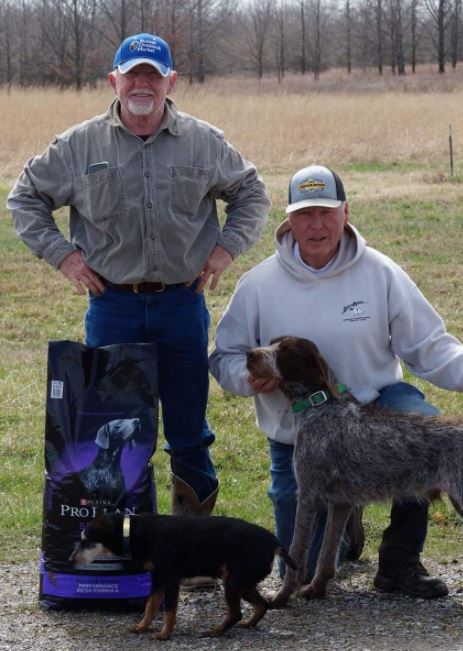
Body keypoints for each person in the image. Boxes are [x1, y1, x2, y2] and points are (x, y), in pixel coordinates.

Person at [208, 164, 463, 598]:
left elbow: (432, 346)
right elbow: (223, 356)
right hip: (299, 433)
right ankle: (346, 523)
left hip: (380, 411)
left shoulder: (379, 273)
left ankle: (399, 563)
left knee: (424, 428)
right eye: (305, 214)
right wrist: (245, 377)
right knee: (303, 563)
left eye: (326, 213)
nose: (316, 225)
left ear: (346, 212)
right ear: (288, 219)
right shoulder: (258, 285)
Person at [8, 33, 271, 520]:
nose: (142, 85)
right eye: (133, 75)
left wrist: (224, 249)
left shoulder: (204, 142)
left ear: (171, 82)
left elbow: (251, 192)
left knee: (189, 431)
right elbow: (25, 198)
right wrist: (63, 256)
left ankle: (190, 545)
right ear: (115, 81)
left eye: (153, 75)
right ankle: (118, 549)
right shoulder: (77, 145)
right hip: (113, 307)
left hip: (181, 304)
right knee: (110, 427)